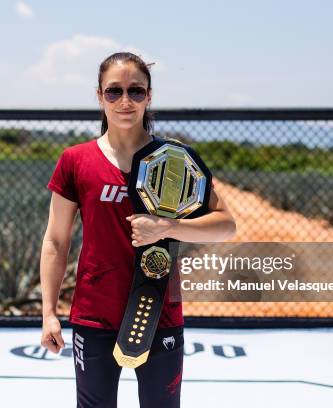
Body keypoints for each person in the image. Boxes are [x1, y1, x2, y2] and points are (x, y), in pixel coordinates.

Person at [40, 51, 236, 408]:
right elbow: (55, 241)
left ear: (150, 96)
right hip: (94, 316)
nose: (125, 101)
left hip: (159, 313)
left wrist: (167, 227)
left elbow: (225, 226)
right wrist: (48, 313)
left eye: (136, 91)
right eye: (114, 91)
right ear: (99, 96)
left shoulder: (178, 161)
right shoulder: (76, 160)